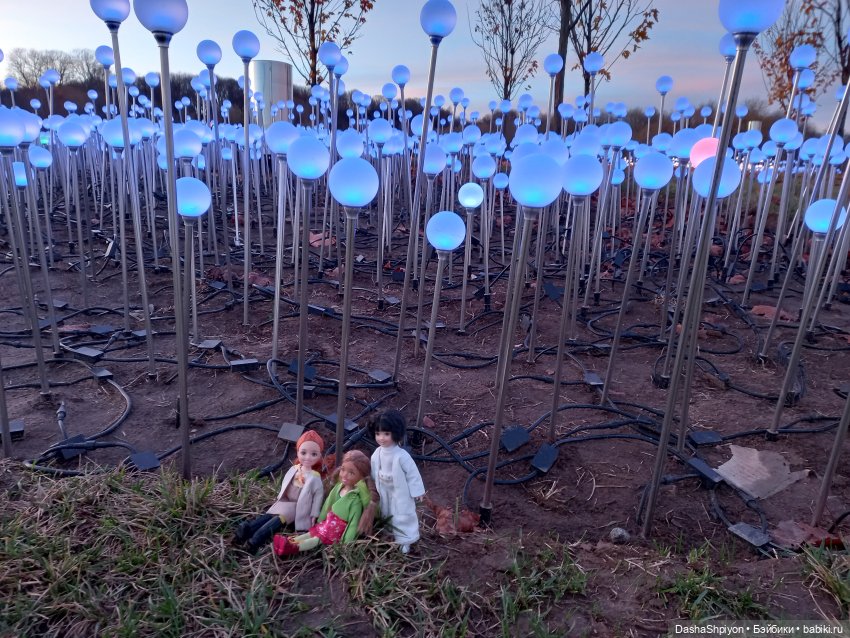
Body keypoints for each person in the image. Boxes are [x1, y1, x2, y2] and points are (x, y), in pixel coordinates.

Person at [232, 430, 326, 554]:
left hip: (297, 506)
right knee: (269, 515)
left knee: (278, 519)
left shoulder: (315, 477)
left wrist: (314, 513)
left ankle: (256, 540)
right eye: (303, 453)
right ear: (297, 452)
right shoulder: (295, 469)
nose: (308, 457)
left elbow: (318, 496)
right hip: (285, 500)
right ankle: (248, 529)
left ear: (319, 456)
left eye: (313, 454)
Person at [273, 449, 378, 556]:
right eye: (343, 469)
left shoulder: (355, 499)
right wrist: (321, 518)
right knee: (311, 533)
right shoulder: (338, 487)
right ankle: (289, 541)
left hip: (336, 530)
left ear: (360, 477)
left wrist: (346, 542)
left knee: (317, 539)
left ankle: (294, 547)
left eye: (351, 473)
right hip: (328, 522)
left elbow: (353, 523)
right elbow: (328, 503)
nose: (344, 475)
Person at [369, 410, 426, 554]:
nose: (381, 438)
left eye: (386, 434)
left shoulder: (402, 456)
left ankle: (405, 540)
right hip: (383, 488)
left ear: (395, 433)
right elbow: (373, 469)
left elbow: (412, 474)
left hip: (399, 491)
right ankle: (388, 533)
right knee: (385, 511)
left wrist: (417, 491)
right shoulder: (377, 453)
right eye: (378, 434)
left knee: (401, 514)